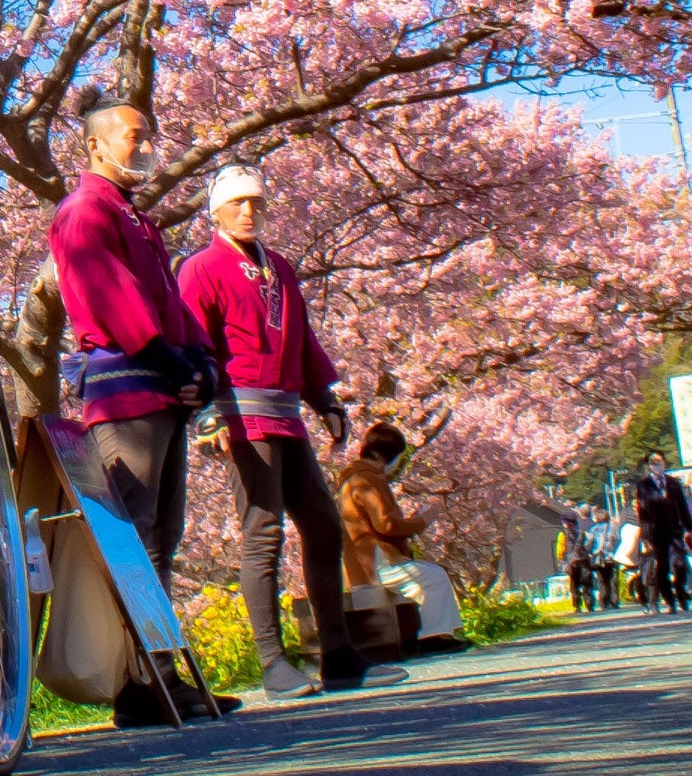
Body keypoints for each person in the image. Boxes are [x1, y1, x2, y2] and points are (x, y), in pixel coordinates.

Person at [40, 98, 230, 724]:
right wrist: (175, 364)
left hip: (160, 390)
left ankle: (161, 675)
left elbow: (168, 304)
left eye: (149, 134)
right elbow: (112, 299)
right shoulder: (84, 211)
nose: (145, 144)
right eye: (132, 135)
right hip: (126, 393)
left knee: (161, 537)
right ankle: (144, 681)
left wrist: (200, 366)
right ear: (95, 147)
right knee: (138, 538)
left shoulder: (134, 216)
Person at [176, 161, 396, 698]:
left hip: (287, 414)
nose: (249, 212)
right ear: (217, 211)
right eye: (237, 203)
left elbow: (303, 339)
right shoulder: (200, 269)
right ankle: (273, 662)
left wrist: (324, 398)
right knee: (264, 532)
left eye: (257, 202)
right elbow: (191, 345)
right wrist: (204, 416)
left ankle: (339, 654)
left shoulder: (280, 269)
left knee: (323, 524)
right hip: (240, 414)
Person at [335, 420, 447, 653]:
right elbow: (386, 524)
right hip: (377, 560)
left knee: (423, 584)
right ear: (390, 457)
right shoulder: (368, 479)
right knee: (435, 577)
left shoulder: (350, 479)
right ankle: (434, 637)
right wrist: (423, 520)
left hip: (360, 566)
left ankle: (433, 635)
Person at [631, 458, 692, 614]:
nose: (656, 467)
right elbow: (643, 512)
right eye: (653, 464)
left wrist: (689, 527)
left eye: (659, 463)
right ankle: (670, 601)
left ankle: (681, 594)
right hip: (655, 531)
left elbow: (682, 505)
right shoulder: (644, 485)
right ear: (648, 467)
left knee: (679, 563)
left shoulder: (673, 483)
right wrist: (646, 536)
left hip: (674, 529)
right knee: (662, 567)